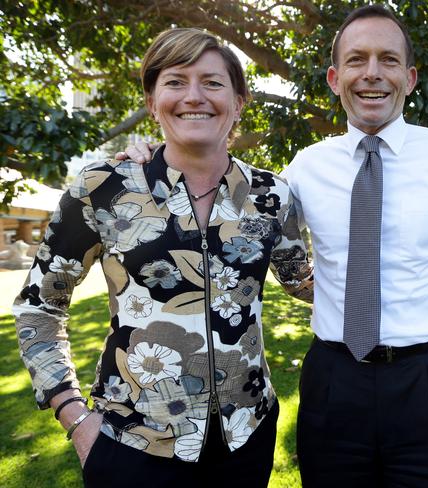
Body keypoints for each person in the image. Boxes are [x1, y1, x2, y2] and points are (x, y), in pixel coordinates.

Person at [120, 5, 428, 487]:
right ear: (334, 77)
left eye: (388, 60)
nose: (372, 73)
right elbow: (232, 200)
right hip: (334, 381)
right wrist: (154, 158)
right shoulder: (304, 168)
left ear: (410, 78)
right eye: (357, 60)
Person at [13, 27, 312, 488]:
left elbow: (304, 283)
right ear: (152, 101)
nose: (195, 96)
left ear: (239, 101)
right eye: (175, 82)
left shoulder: (272, 195)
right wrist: (74, 417)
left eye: (212, 82)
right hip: (132, 442)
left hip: (246, 436)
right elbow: (39, 305)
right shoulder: (103, 189)